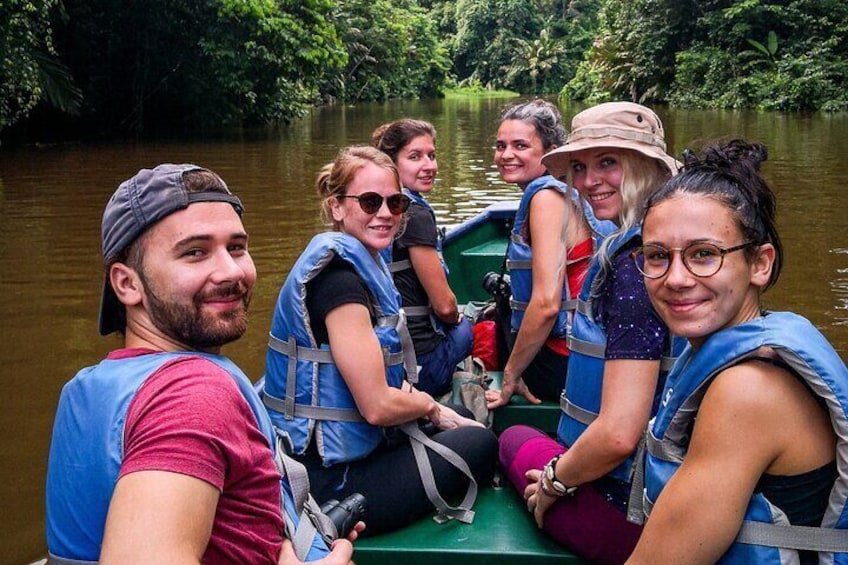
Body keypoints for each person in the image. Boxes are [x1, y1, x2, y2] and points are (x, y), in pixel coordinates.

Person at [45, 164, 357, 564]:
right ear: (127, 284)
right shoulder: (194, 397)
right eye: (194, 252)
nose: (231, 271)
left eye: (237, 247)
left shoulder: (98, 384)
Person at [627, 139, 848, 564]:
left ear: (759, 264)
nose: (676, 278)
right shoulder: (722, 351)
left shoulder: (749, 391)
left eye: (704, 254)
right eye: (657, 256)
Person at [261, 146, 498, 535]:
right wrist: (430, 407)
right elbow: (376, 406)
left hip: (357, 450)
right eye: (370, 202)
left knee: (468, 422)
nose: (385, 213)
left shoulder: (362, 265)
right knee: (482, 444)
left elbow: (382, 377)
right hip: (330, 481)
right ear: (336, 206)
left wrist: (432, 410)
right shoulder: (339, 285)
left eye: (395, 202)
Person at [498, 102, 681, 564]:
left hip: (636, 514)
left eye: (608, 163)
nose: (587, 181)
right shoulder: (677, 245)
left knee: (512, 439)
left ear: (645, 166)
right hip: (673, 482)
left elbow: (619, 436)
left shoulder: (636, 268)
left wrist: (555, 483)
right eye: (579, 167)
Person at [485, 99, 611, 408]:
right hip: (589, 349)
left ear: (551, 152)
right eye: (501, 146)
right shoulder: (571, 190)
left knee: (487, 330)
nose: (506, 155)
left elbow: (545, 305)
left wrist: (511, 375)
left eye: (520, 145)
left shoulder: (545, 200)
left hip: (565, 363)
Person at [372, 119, 473, 397]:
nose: (429, 165)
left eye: (432, 155)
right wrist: (459, 318)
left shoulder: (370, 208)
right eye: (415, 156)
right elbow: (444, 307)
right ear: (391, 164)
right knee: (467, 328)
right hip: (419, 366)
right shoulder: (414, 214)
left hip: (380, 359)